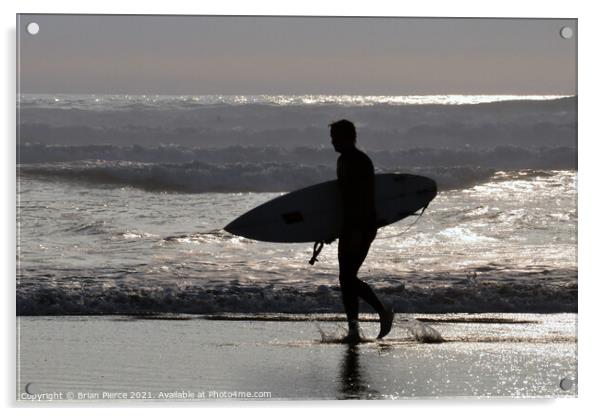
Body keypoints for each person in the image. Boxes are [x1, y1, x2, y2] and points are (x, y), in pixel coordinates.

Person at [328, 119, 394, 343]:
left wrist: (355, 228)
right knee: (346, 278)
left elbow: (360, 199)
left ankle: (382, 309)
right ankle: (353, 329)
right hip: (351, 225)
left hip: (361, 225)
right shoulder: (344, 160)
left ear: (347, 137)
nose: (332, 142)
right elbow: (343, 200)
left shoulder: (358, 161)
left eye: (335, 138)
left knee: (347, 277)